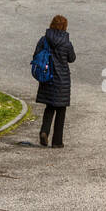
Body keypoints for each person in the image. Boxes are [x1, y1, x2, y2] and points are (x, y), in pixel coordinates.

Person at [35, 14, 76, 148]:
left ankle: (44, 131)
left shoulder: (44, 40)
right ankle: (57, 142)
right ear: (64, 26)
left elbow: (36, 55)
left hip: (48, 78)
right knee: (61, 110)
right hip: (62, 80)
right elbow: (72, 58)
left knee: (49, 107)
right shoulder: (66, 42)